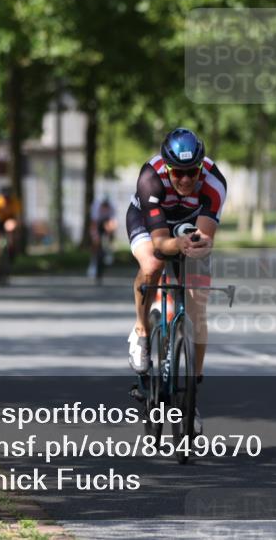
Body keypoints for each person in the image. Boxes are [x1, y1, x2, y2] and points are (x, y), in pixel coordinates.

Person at [125, 129, 227, 394]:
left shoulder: (214, 182)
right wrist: (178, 244)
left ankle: (194, 384)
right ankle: (141, 330)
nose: (185, 179)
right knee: (152, 265)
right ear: (167, 167)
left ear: (200, 167)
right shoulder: (151, 177)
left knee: (198, 304)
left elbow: (204, 237)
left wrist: (198, 245)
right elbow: (160, 243)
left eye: (192, 172)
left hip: (189, 225)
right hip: (148, 223)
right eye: (178, 173)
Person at [0, 185, 22, 281]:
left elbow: (18, 217)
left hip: (10, 219)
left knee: (11, 231)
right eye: (5, 197)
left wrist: (17, 230)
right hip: (0, 222)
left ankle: (11, 248)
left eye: (8, 197)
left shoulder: (15, 202)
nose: (6, 199)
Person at [88, 194, 117, 278]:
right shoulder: (96, 208)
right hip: (97, 223)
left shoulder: (112, 208)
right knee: (95, 244)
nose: (104, 209)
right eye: (103, 207)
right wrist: (95, 237)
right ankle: (93, 263)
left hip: (107, 222)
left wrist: (110, 235)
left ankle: (109, 252)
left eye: (106, 207)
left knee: (110, 233)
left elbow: (113, 223)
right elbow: (94, 225)